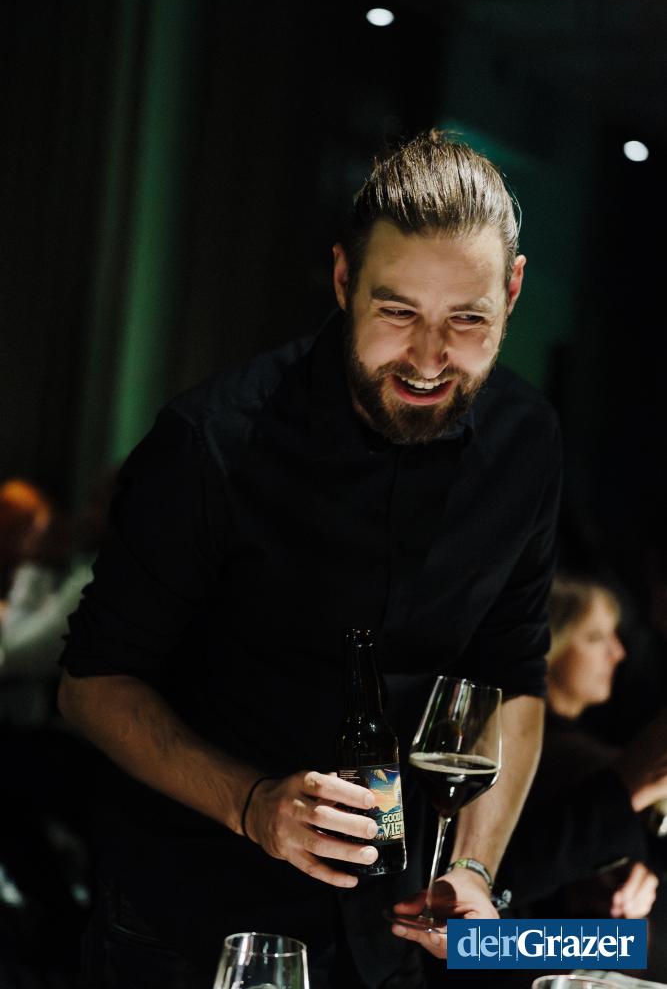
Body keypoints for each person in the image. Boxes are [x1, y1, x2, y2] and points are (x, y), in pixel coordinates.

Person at [57, 129, 562, 989]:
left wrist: (472, 868)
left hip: (393, 934)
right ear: (341, 280)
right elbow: (91, 687)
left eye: (467, 319)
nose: (428, 359)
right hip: (193, 922)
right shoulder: (210, 442)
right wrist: (252, 803)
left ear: (511, 291)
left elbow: (512, 680)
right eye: (396, 312)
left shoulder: (526, 443)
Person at [498, 573, 667, 920]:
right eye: (595, 637)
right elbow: (499, 883)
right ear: (549, 644)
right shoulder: (543, 751)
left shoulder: (582, 744)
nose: (618, 653)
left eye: (615, 636)